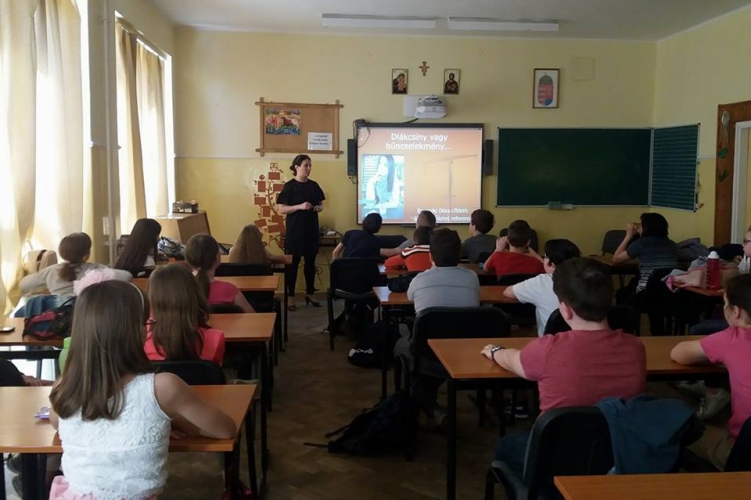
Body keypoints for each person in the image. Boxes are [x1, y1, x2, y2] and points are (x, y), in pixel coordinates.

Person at [48, 280, 236, 500]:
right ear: (137, 332)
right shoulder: (163, 388)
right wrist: (175, 421)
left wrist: (154, 421)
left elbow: (57, 423)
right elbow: (226, 429)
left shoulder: (64, 387)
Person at [483, 257, 646, 477]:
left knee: (506, 445)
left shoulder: (548, 348)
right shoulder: (635, 347)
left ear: (565, 310)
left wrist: (495, 351)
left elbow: (513, 360)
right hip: (617, 455)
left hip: (555, 460)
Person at [394, 228, 480, 428]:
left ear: (430, 255)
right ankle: (430, 403)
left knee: (401, 346)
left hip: (429, 354)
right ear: (459, 255)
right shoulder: (472, 278)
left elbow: (410, 298)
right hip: (466, 354)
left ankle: (429, 408)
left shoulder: (420, 280)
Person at [671, 273, 751, 470]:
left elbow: (679, 354)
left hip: (743, 453)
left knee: (677, 428)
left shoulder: (732, 338)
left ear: (736, 312)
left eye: (725, 303)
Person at [144, 263, 225, 365]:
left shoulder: (141, 340)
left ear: (152, 299)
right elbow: (214, 373)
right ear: (195, 294)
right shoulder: (216, 339)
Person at [613, 212, 677, 334]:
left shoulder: (641, 244)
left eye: (640, 224)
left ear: (646, 227)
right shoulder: (671, 244)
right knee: (653, 294)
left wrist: (628, 235)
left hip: (646, 295)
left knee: (622, 294)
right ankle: (659, 333)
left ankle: (627, 331)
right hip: (669, 292)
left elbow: (616, 260)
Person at [502, 239, 582, 337]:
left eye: (544, 257)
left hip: (550, 342)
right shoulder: (590, 281)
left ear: (552, 265)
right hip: (584, 341)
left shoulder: (541, 282)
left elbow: (508, 292)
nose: (543, 259)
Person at [276, 154, 325, 310]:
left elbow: (321, 204)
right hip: (295, 231)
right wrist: (299, 206)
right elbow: (281, 209)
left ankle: (310, 293)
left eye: (310, 166)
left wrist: (319, 208)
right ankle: (291, 296)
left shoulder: (314, 185)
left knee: (310, 264)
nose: (309, 168)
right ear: (296, 167)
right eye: (306, 165)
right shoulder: (289, 186)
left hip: (311, 230)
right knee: (293, 265)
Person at [19, 232, 131, 296]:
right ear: (85, 255)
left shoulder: (51, 270)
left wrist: (47, 287)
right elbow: (127, 275)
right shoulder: (94, 269)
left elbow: (23, 284)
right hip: (85, 315)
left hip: (57, 317)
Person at [185, 234, 254, 313]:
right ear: (218, 257)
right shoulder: (229, 289)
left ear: (188, 259)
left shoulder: (181, 290)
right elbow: (252, 316)